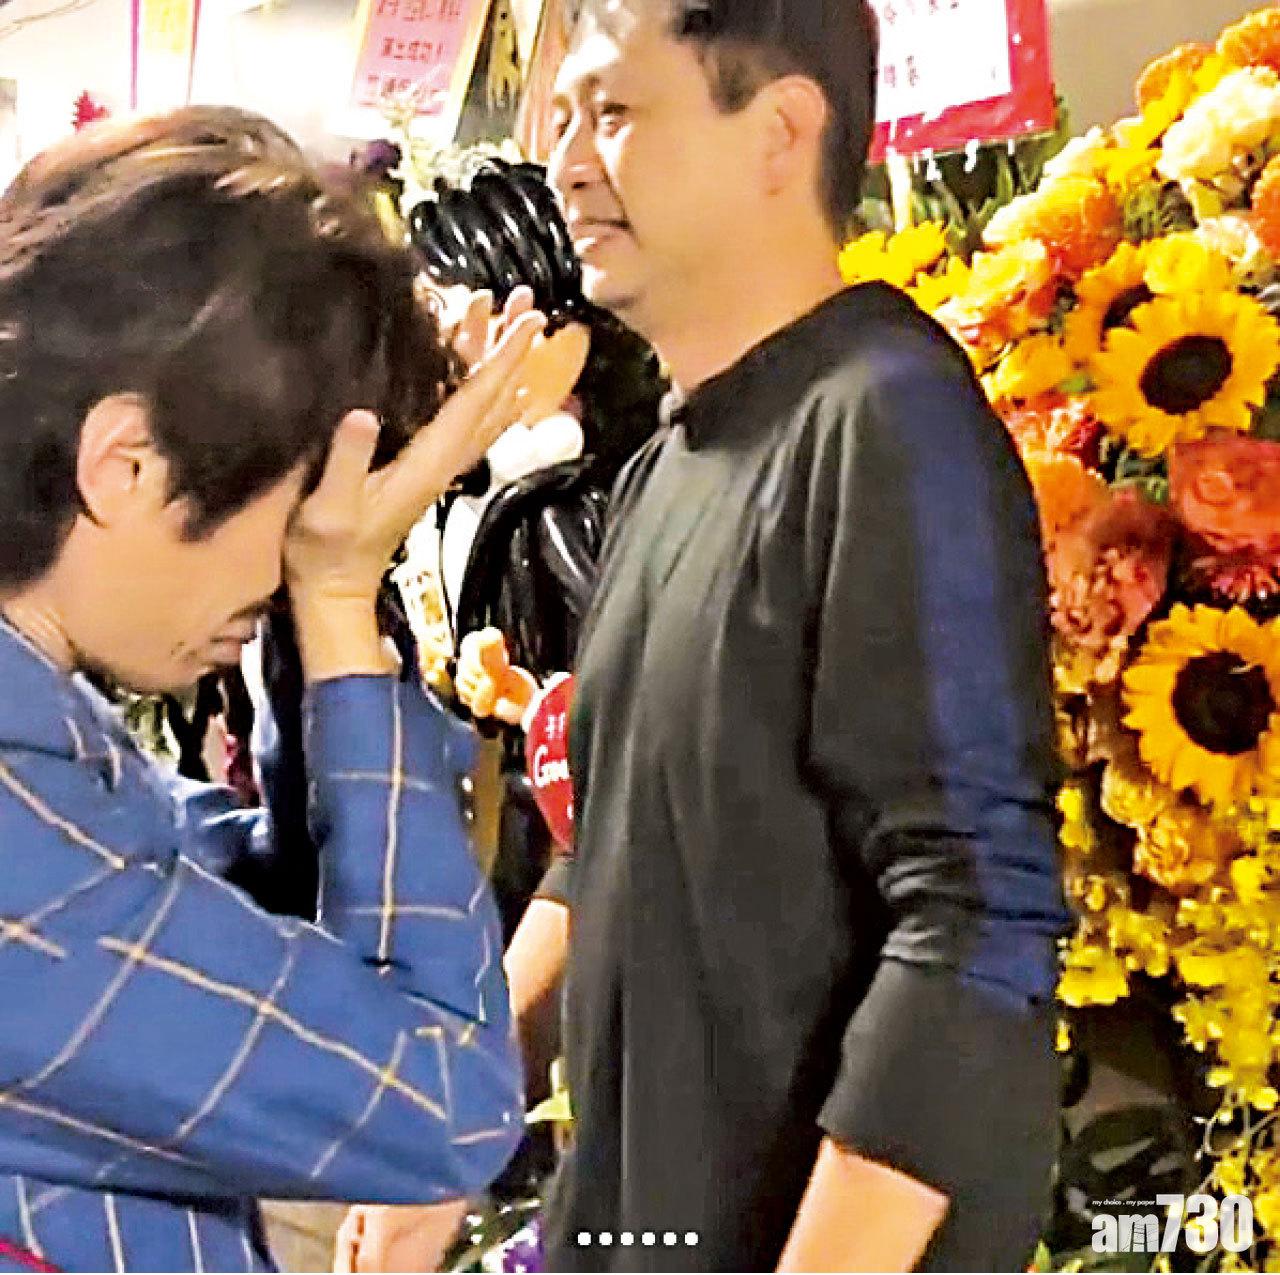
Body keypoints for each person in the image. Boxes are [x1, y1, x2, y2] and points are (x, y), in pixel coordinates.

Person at [349, 0, 1073, 1271]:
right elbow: (601, 841)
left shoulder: (884, 420)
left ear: (779, 132)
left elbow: (970, 922)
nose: (567, 162)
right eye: (561, 118)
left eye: (614, 112)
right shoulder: (662, 466)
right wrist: (453, 1127)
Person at [0, 106, 553, 1272]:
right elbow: (443, 1103)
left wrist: (320, 622)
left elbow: (264, 908)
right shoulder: (29, 863)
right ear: (125, 466)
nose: (294, 553)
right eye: (295, 502)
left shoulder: (52, 761)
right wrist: (340, 602)